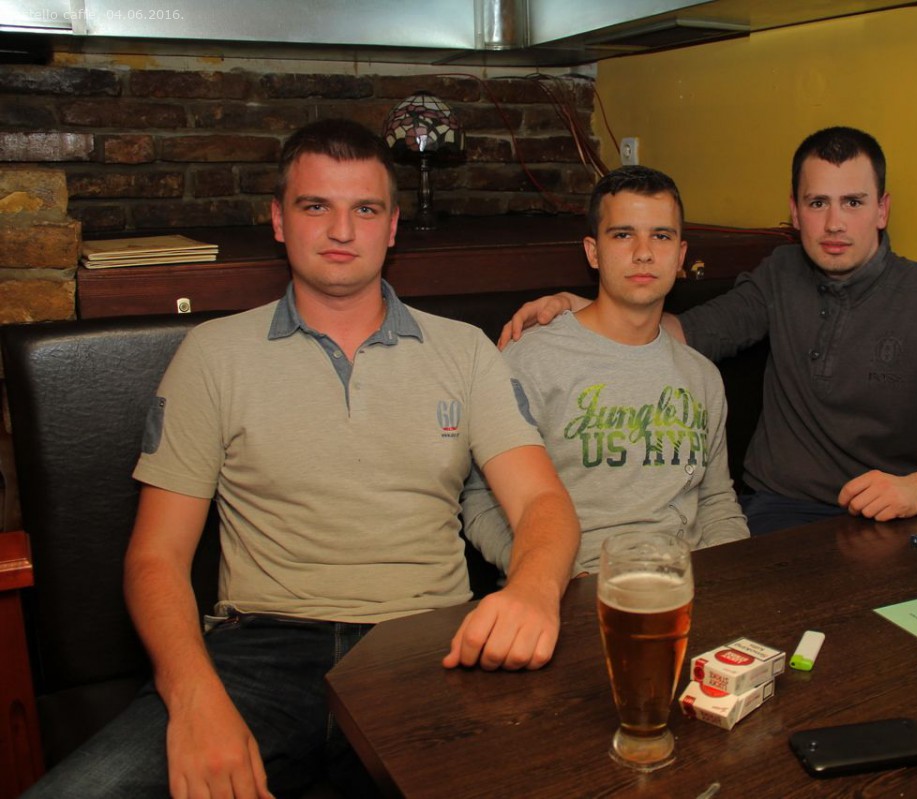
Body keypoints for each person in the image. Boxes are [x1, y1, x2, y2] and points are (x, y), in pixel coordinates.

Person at [23, 119, 581, 798]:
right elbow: (155, 557)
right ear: (279, 221)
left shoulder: (465, 351)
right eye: (316, 206)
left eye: (365, 209)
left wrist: (532, 591)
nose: (342, 230)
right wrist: (194, 698)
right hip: (258, 652)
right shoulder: (213, 354)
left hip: (425, 646)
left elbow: (543, 503)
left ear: (392, 227)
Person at [500, 127, 917, 535]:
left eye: (853, 202)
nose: (835, 223)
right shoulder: (781, 274)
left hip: (888, 517)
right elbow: (685, 333)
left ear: (882, 210)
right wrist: (594, 307)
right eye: (818, 203)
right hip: (776, 511)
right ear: (795, 212)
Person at [461, 166, 748, 574]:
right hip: (573, 584)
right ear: (593, 252)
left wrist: (730, 580)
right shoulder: (531, 360)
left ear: (681, 255)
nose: (644, 252)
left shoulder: (701, 376)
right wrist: (549, 576)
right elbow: (483, 502)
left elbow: (717, 503)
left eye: (661, 236)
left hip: (683, 585)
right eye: (623, 235)